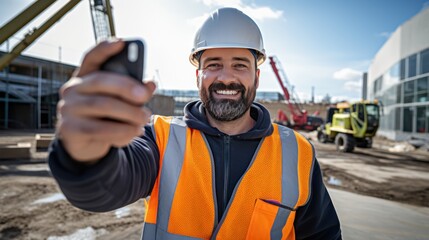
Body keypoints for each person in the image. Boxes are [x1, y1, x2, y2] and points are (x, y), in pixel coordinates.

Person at [49, 7, 341, 239]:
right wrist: (84, 153)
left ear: (256, 76)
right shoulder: (161, 137)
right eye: (214, 64)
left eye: (240, 64)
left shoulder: (297, 153)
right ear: (198, 74)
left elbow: (322, 234)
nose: (227, 77)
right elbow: (104, 190)